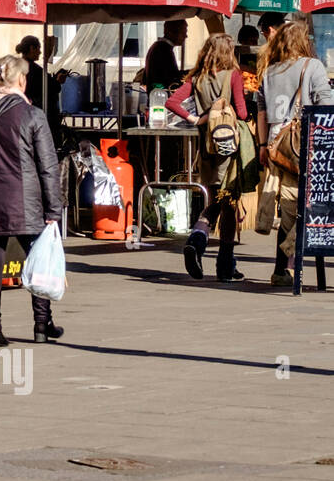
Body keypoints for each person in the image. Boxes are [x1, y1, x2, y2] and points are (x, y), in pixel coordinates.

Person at [0, 55, 63, 349]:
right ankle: (41, 325)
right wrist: (53, 209)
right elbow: (48, 165)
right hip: (25, 199)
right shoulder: (32, 115)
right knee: (39, 260)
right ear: (21, 80)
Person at [167, 34, 248, 282]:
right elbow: (243, 113)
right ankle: (224, 264)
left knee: (213, 200)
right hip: (229, 155)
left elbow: (172, 102)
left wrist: (197, 119)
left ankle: (197, 239)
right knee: (228, 204)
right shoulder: (233, 76)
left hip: (206, 149)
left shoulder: (197, 78)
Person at [258, 22, 333, 286]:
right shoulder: (311, 66)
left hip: (276, 146)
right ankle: (290, 257)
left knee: (289, 207)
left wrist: (261, 146)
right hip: (304, 146)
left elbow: (262, 111)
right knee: (313, 205)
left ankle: (282, 269)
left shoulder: (269, 71)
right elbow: (326, 104)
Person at [16, 35, 62, 146]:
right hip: (38, 114)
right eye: (38, 48)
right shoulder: (34, 69)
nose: (40, 52)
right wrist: (58, 81)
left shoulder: (17, 67)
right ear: (32, 48)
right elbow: (52, 87)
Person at [141, 20, 188, 91]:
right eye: (183, 32)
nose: (186, 36)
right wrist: (192, 72)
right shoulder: (163, 49)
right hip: (160, 96)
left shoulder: (159, 46)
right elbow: (171, 78)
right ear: (171, 33)